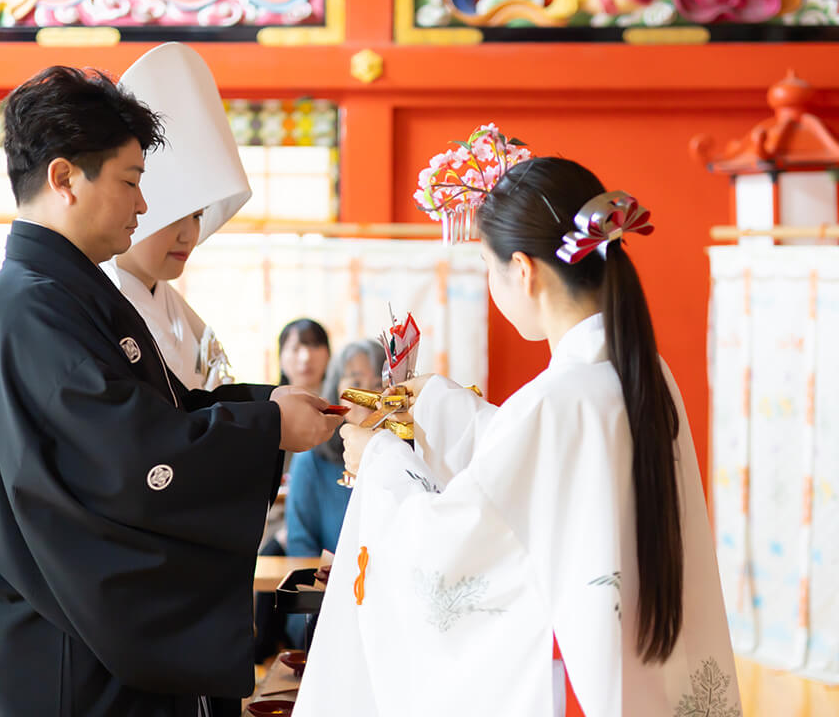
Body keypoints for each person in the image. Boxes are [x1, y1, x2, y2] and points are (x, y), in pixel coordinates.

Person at [0, 65, 343, 717]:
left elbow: (160, 412)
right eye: (130, 181)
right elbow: (130, 455)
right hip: (57, 649)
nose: (145, 206)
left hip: (76, 634)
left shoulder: (65, 292)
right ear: (64, 179)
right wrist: (267, 429)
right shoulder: (34, 306)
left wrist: (265, 406)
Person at [295, 157, 739, 716]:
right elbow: (537, 466)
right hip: (637, 660)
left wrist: (379, 459)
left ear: (523, 271)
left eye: (488, 265)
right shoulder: (641, 372)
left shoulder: (558, 400)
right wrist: (438, 402)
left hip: (575, 676)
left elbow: (446, 545)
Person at [101, 43, 252, 391]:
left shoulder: (171, 301)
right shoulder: (102, 297)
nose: (189, 235)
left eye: (197, 216)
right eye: (174, 218)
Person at [285, 338, 385, 559]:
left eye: (379, 384)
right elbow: (300, 544)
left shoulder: (408, 453)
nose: (368, 395)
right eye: (356, 382)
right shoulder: (312, 458)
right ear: (336, 388)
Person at [277, 318, 330, 393]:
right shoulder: (267, 399)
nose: (306, 357)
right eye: (294, 348)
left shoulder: (344, 393)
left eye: (314, 346)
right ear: (280, 358)